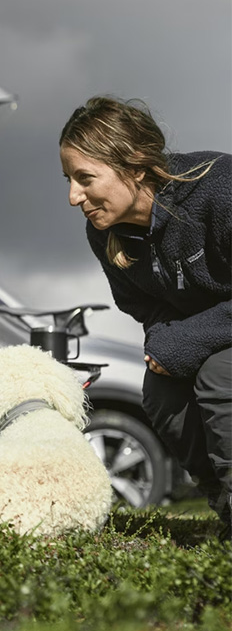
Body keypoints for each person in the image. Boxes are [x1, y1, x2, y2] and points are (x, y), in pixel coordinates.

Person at [59, 96, 230, 537]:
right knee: (160, 392)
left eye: (85, 178)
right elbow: (142, 305)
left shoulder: (219, 189)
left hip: (217, 343)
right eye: (69, 180)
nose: (73, 196)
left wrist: (186, 341)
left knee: (219, 376)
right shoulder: (104, 233)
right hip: (212, 336)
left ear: (135, 166)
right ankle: (226, 509)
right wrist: (166, 342)